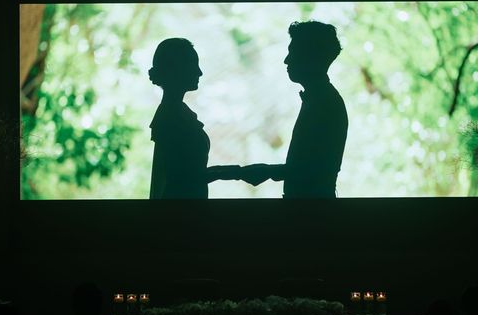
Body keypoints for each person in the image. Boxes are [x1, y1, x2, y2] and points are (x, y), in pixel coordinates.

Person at [241, 21, 348, 197]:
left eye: (293, 52)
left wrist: (264, 171)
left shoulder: (324, 104)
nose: (287, 60)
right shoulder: (323, 100)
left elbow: (311, 171)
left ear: (309, 57)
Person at [148, 38, 241, 198]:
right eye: (193, 65)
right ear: (177, 69)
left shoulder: (175, 113)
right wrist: (234, 172)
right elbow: (180, 178)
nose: (199, 72)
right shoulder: (170, 117)